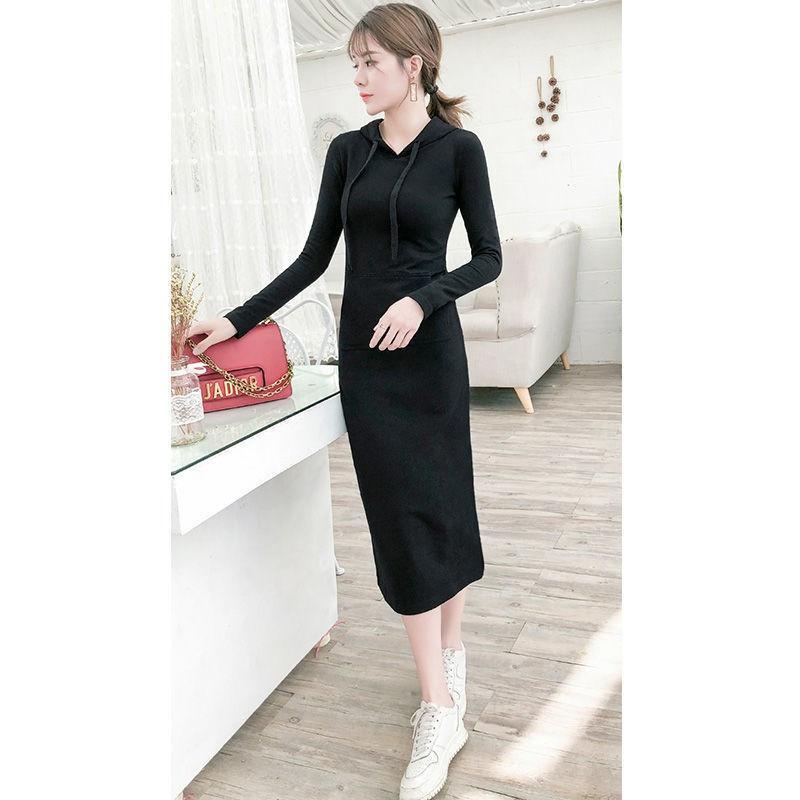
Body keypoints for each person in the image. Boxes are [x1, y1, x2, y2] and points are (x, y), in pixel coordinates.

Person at [185, 4, 502, 798]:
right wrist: (234, 319)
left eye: (370, 62)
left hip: (430, 357)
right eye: (352, 63)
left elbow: (488, 257)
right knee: (399, 520)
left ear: (412, 65)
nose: (356, 76)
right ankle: (439, 709)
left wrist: (424, 299)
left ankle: (450, 659)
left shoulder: (458, 150)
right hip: (369, 367)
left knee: (443, 507)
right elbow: (311, 259)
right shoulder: (347, 153)